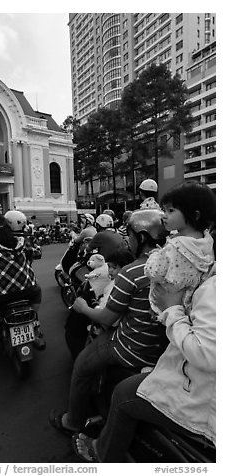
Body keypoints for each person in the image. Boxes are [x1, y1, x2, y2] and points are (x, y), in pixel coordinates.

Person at [72, 262, 216, 462]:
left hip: (136, 350)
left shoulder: (131, 272)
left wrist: (173, 310)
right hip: (168, 355)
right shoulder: (200, 270)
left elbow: (106, 318)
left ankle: (92, 441)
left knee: (96, 375)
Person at [49, 208, 168, 434]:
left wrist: (83, 308)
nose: (128, 241)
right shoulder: (175, 262)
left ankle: (72, 421)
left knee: (82, 365)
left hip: (133, 346)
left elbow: (107, 317)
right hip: (163, 344)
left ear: (141, 237)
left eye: (131, 236)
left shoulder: (131, 271)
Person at [0, 213, 45, 357]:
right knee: (38, 291)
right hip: (29, 289)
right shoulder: (22, 241)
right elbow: (36, 253)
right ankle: (33, 323)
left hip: (1, 295)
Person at [145, 182, 215, 317]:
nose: (163, 215)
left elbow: (153, 272)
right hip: (189, 306)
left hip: (166, 305)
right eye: (164, 210)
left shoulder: (176, 246)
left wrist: (154, 256)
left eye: (171, 211)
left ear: (195, 215)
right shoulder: (206, 241)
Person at [64, 249, 134, 360]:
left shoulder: (122, 284)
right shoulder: (117, 281)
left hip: (108, 325)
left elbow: (108, 317)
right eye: (109, 267)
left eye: (114, 268)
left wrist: (86, 308)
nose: (110, 271)